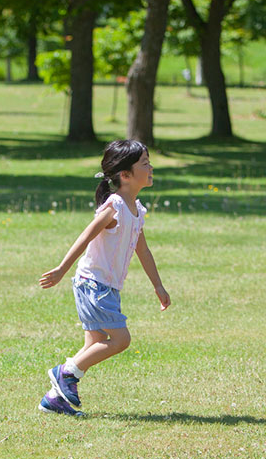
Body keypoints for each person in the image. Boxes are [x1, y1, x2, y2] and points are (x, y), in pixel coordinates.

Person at [37, 140, 170, 415]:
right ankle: (65, 372)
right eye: (145, 163)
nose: (151, 167)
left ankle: (54, 400)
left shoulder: (136, 210)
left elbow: (142, 250)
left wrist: (158, 285)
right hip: (92, 285)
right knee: (121, 340)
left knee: (93, 346)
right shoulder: (115, 207)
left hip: (107, 288)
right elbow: (86, 235)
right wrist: (61, 269)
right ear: (125, 175)